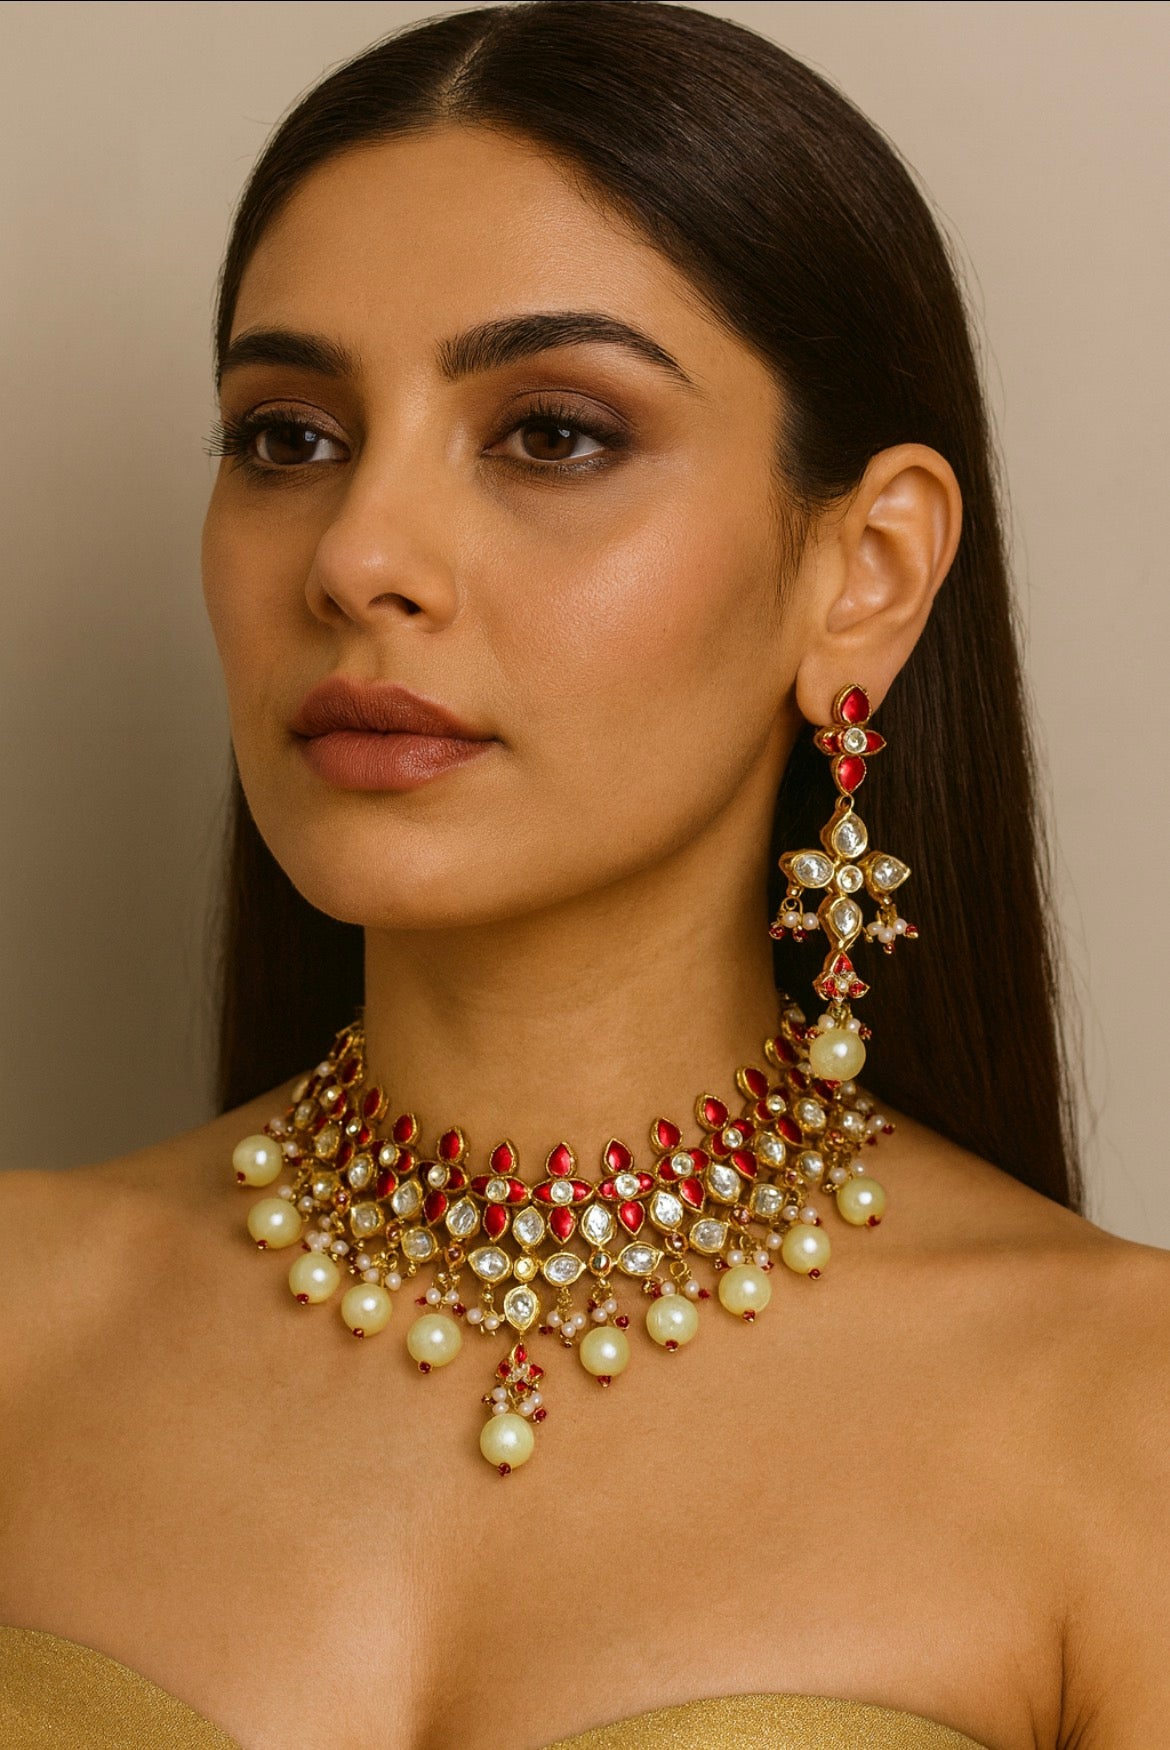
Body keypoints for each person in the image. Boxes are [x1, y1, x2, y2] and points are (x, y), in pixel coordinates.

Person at [1, 4, 1167, 1747]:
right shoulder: (21, 1324)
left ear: (862, 571)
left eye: (551, 433)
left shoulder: (1122, 1421)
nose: (357, 556)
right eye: (289, 437)